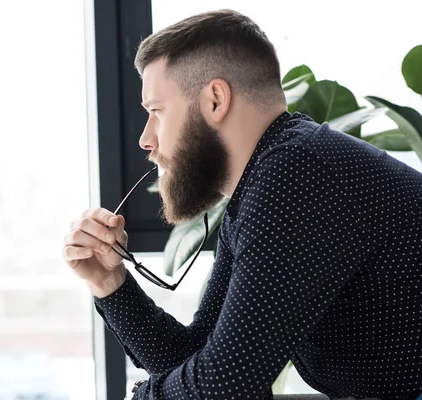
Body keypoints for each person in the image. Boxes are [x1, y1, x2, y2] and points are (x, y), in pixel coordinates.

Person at [62, 8, 422, 400]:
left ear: (215, 99)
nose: (146, 140)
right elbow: (198, 357)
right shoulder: (268, 177)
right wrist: (109, 283)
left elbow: (228, 384)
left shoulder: (296, 172)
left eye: (156, 112)